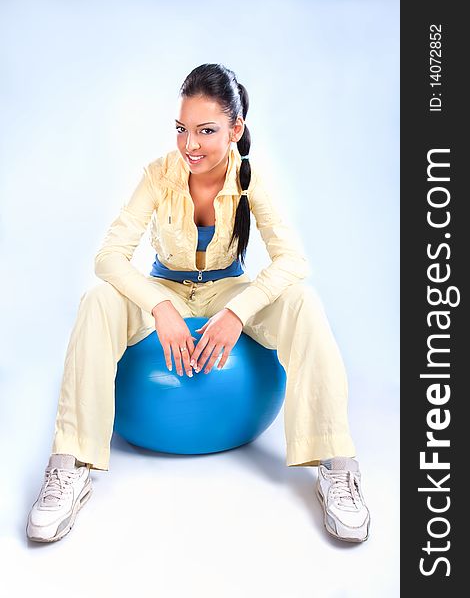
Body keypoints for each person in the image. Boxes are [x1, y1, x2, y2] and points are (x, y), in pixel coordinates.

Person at [26, 63, 370, 544]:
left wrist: (237, 313)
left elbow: (293, 260)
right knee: (98, 300)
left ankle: (336, 463)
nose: (191, 145)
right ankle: (69, 465)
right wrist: (159, 307)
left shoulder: (251, 180)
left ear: (236, 130)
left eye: (206, 131)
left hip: (228, 290)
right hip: (164, 288)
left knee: (302, 303)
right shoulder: (158, 174)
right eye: (182, 129)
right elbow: (109, 257)